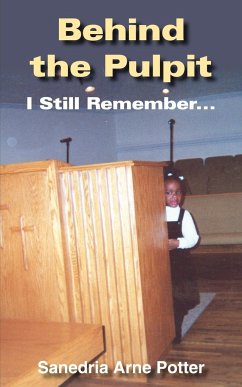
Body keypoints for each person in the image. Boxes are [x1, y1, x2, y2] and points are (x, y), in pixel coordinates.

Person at [165, 172, 200, 343]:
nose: (174, 196)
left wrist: (177, 243)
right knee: (165, 298)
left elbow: (193, 239)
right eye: (169, 192)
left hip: (179, 263)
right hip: (160, 263)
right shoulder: (155, 213)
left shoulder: (184, 215)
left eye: (178, 192)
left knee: (178, 297)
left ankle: (176, 331)